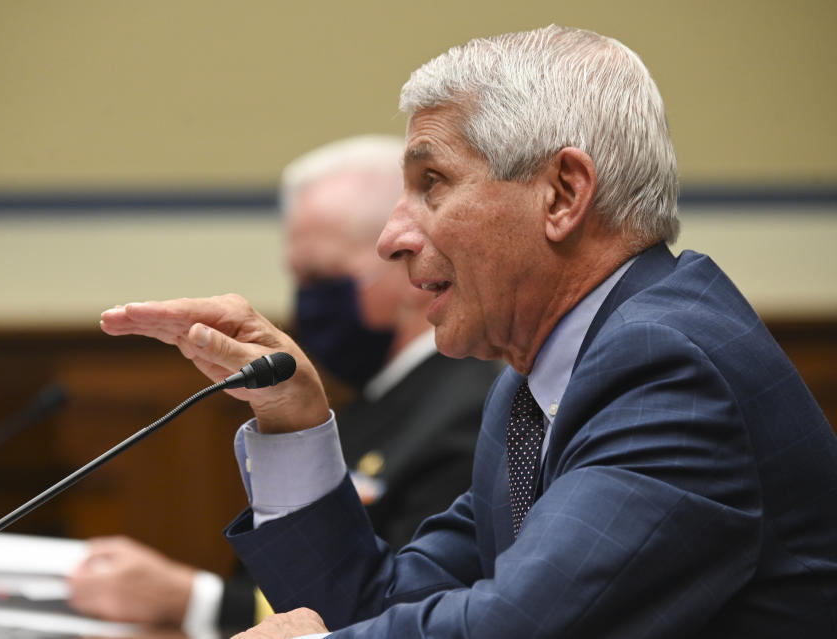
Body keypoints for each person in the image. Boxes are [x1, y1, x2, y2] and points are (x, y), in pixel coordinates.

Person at [99, 25, 837, 638]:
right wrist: (294, 424)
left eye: (432, 184)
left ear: (562, 195)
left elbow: (516, 627)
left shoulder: (667, 369)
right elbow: (371, 604)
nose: (392, 237)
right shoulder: (531, 386)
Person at [68, 136, 500, 633]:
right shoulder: (367, 397)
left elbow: (398, 611)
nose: (308, 301)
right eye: (299, 278)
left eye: (324, 276)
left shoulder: (473, 409)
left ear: (408, 263)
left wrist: (193, 601)